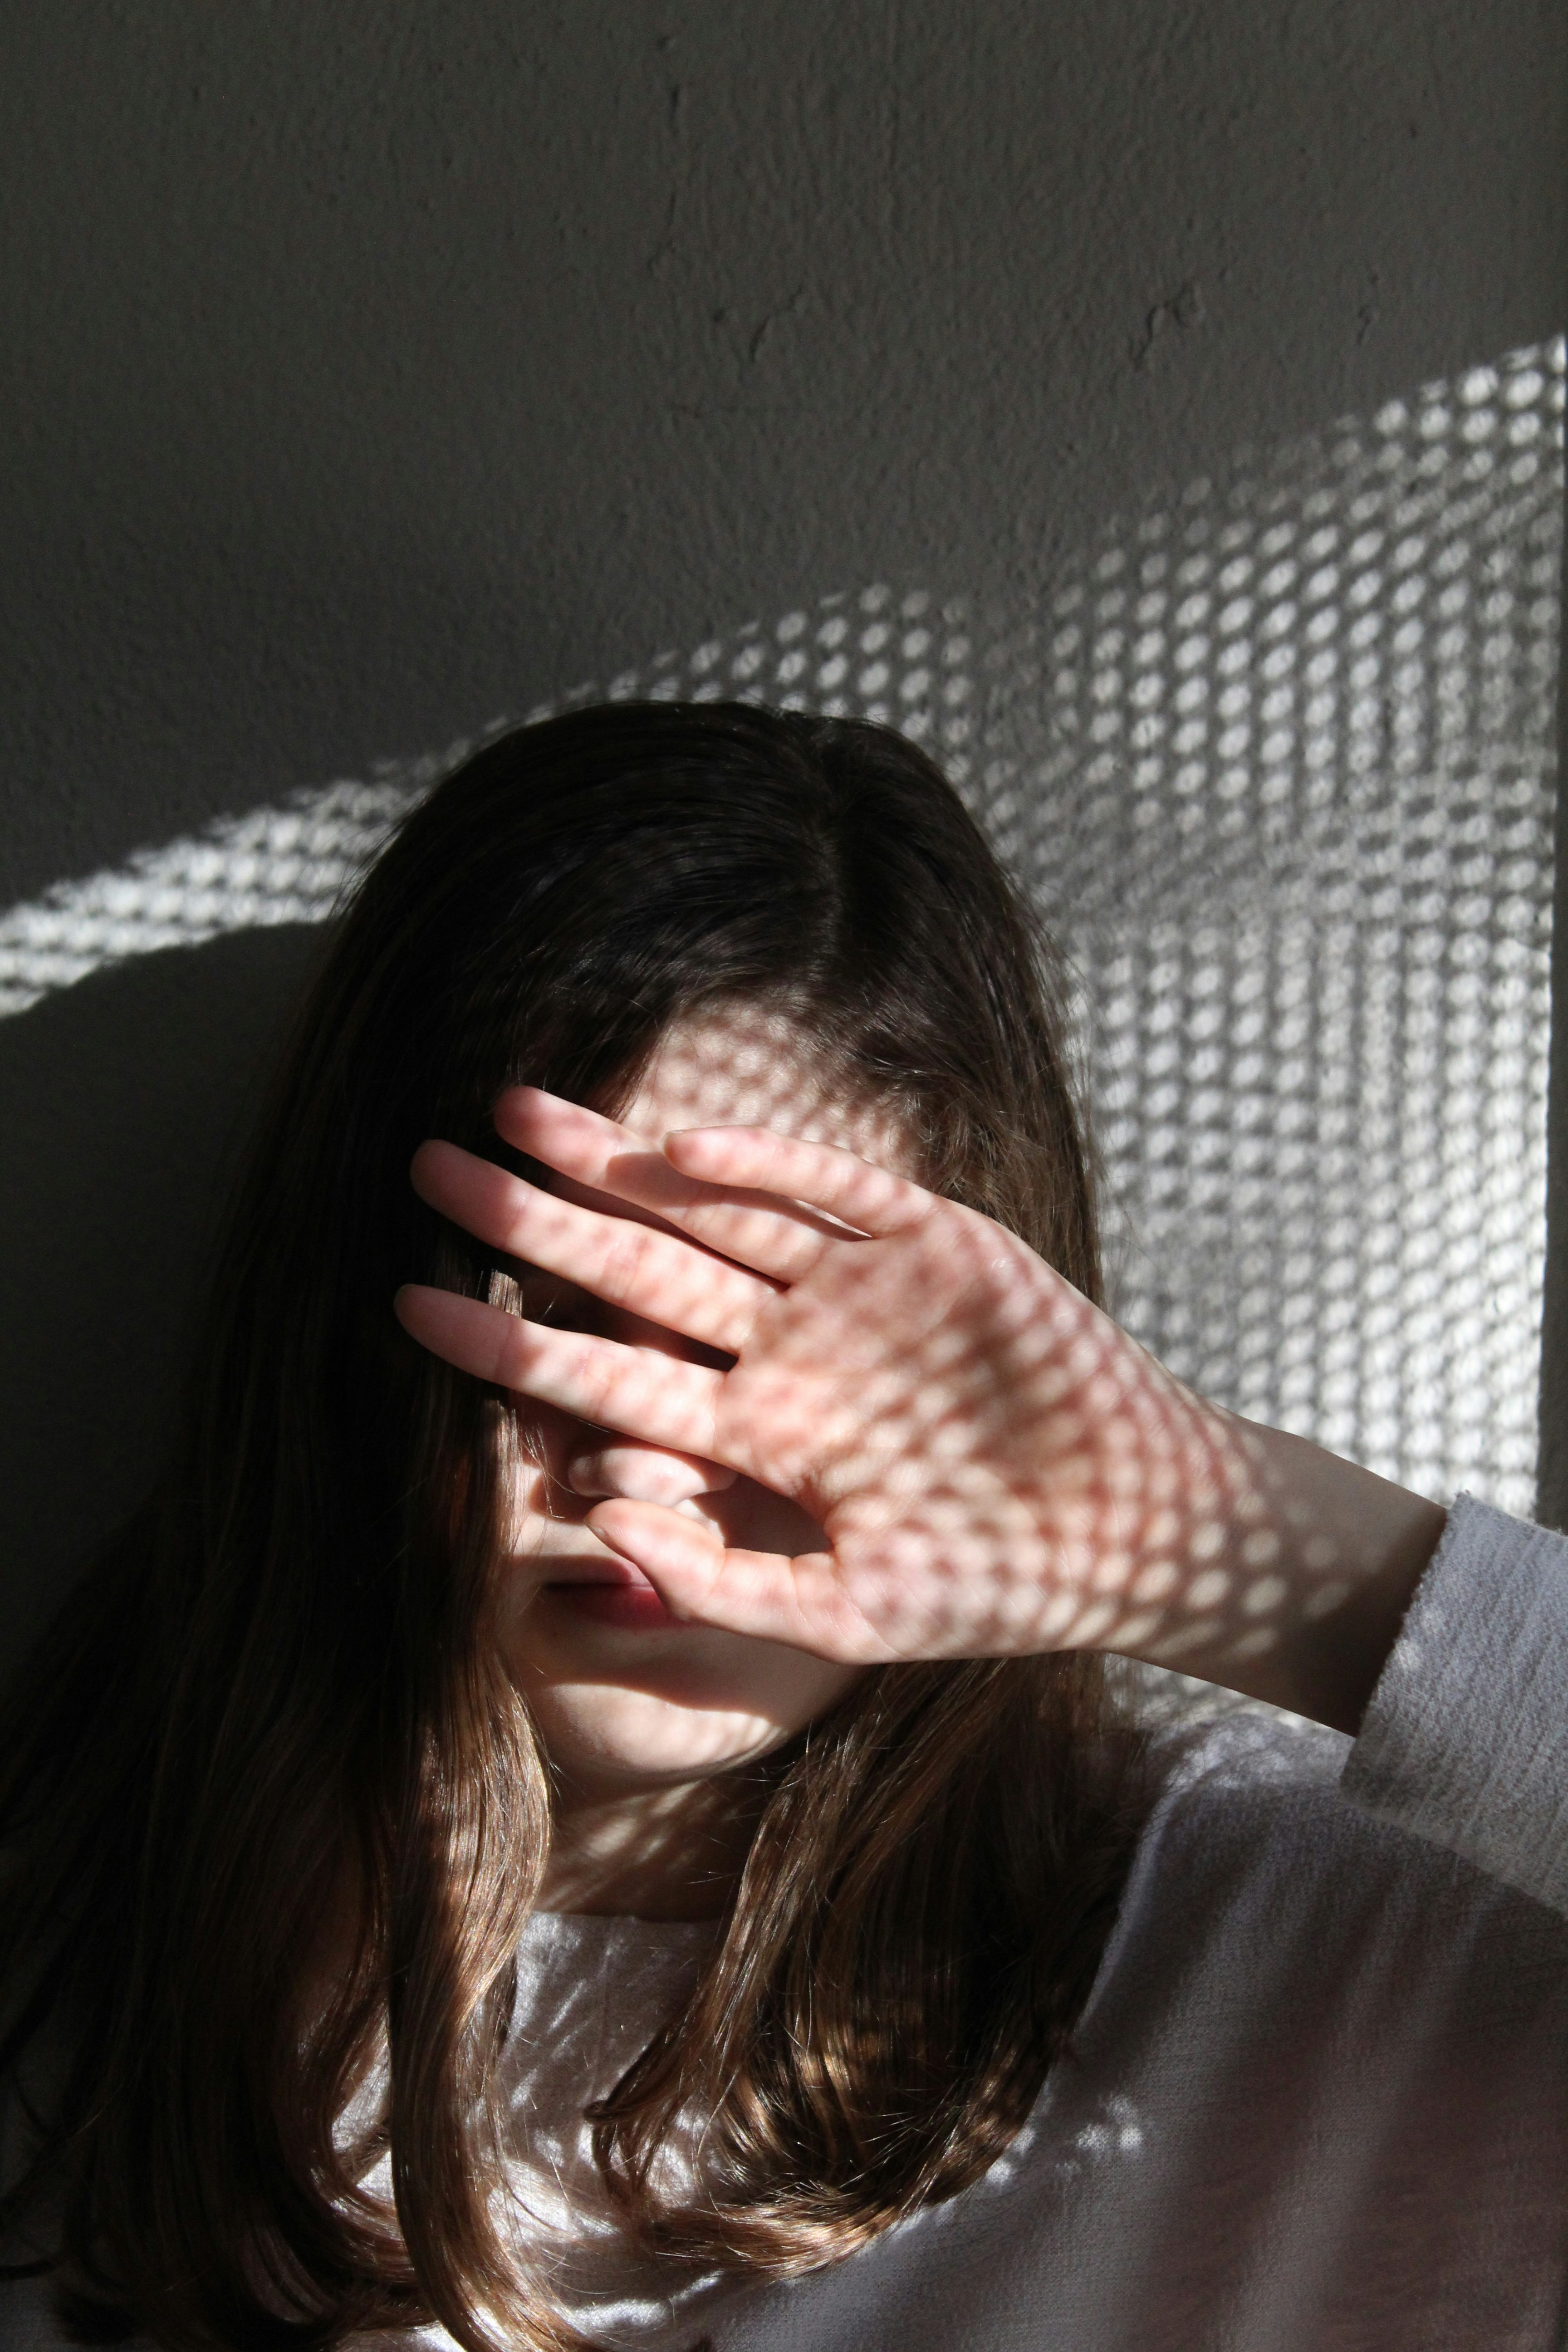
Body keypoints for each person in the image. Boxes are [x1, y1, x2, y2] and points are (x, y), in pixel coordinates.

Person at [1, 700, 1565, 2352]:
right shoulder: (67, 1987)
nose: (650, 1474)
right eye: (562, 1318)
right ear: (343, 1323)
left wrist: (1231, 1546)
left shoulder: (1310, 1981)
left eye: (766, 1342)